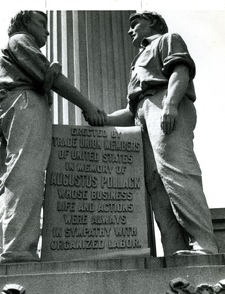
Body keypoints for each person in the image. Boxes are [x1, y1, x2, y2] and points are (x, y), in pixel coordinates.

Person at [0, 10, 106, 265]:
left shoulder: (12, 47)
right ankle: (18, 251)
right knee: (28, 176)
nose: (47, 31)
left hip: (12, 106)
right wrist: (88, 106)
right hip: (25, 104)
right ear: (26, 23)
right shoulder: (20, 40)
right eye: (42, 23)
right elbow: (53, 77)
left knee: (13, 180)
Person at [87, 11, 218, 256]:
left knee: (176, 169)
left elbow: (180, 70)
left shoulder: (167, 39)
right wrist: (104, 119)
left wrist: (170, 104)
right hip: (142, 114)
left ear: (153, 24)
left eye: (135, 23)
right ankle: (174, 249)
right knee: (155, 184)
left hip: (164, 104)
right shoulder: (136, 61)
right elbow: (130, 109)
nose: (129, 31)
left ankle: (205, 245)